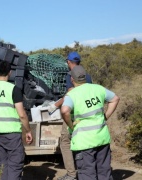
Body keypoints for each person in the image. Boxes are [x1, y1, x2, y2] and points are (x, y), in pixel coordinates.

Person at [61, 65, 120, 180]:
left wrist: (70, 125)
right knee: (104, 172)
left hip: (84, 142)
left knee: (87, 174)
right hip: (102, 138)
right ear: (85, 77)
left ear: (72, 79)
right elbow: (115, 99)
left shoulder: (72, 95)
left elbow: (64, 111)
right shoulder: (98, 88)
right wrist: (105, 116)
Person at [50, 52, 92, 180]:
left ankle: (71, 174)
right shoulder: (87, 75)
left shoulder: (71, 75)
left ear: (68, 62)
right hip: (86, 112)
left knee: (65, 141)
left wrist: (55, 105)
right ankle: (86, 171)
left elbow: (70, 94)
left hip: (73, 114)